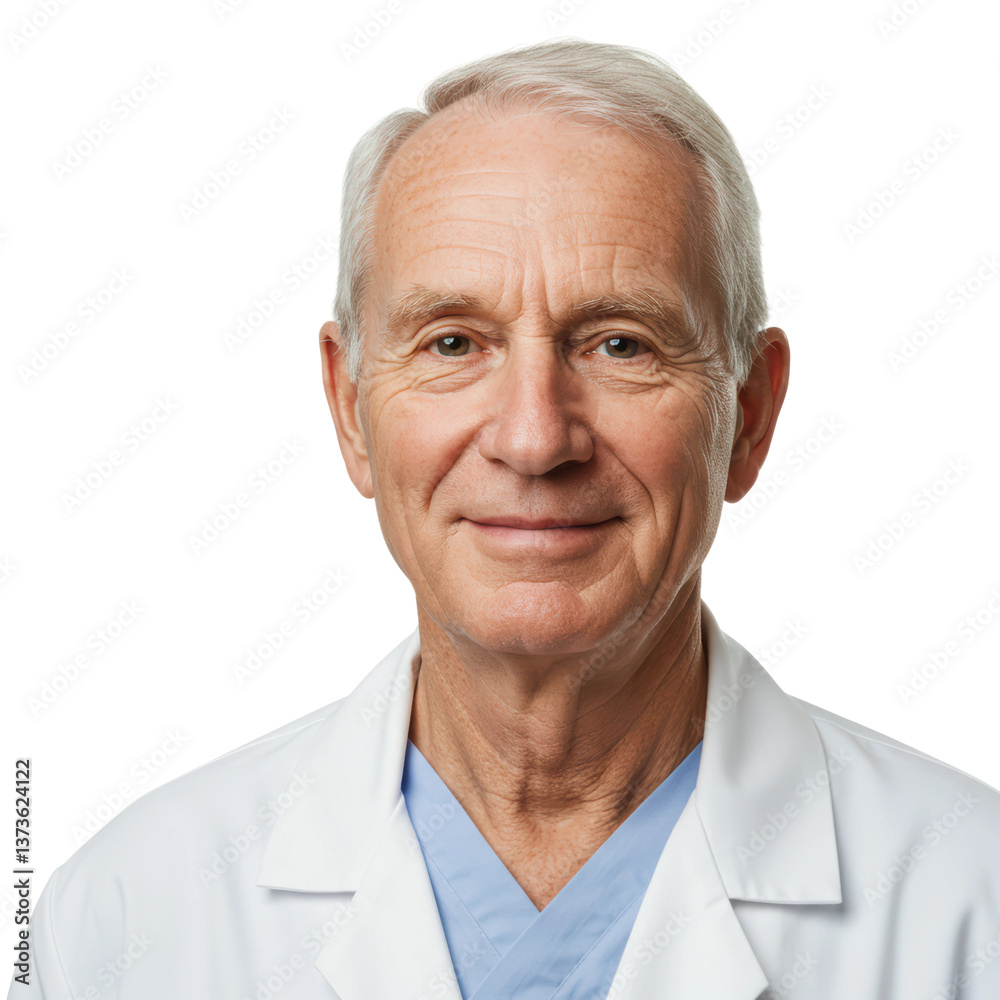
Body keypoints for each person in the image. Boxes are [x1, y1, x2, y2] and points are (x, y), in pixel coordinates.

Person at [11, 38, 1000, 1000]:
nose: (534, 437)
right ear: (350, 407)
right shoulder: (125, 917)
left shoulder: (968, 902)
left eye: (620, 342)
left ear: (748, 412)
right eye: (451, 342)